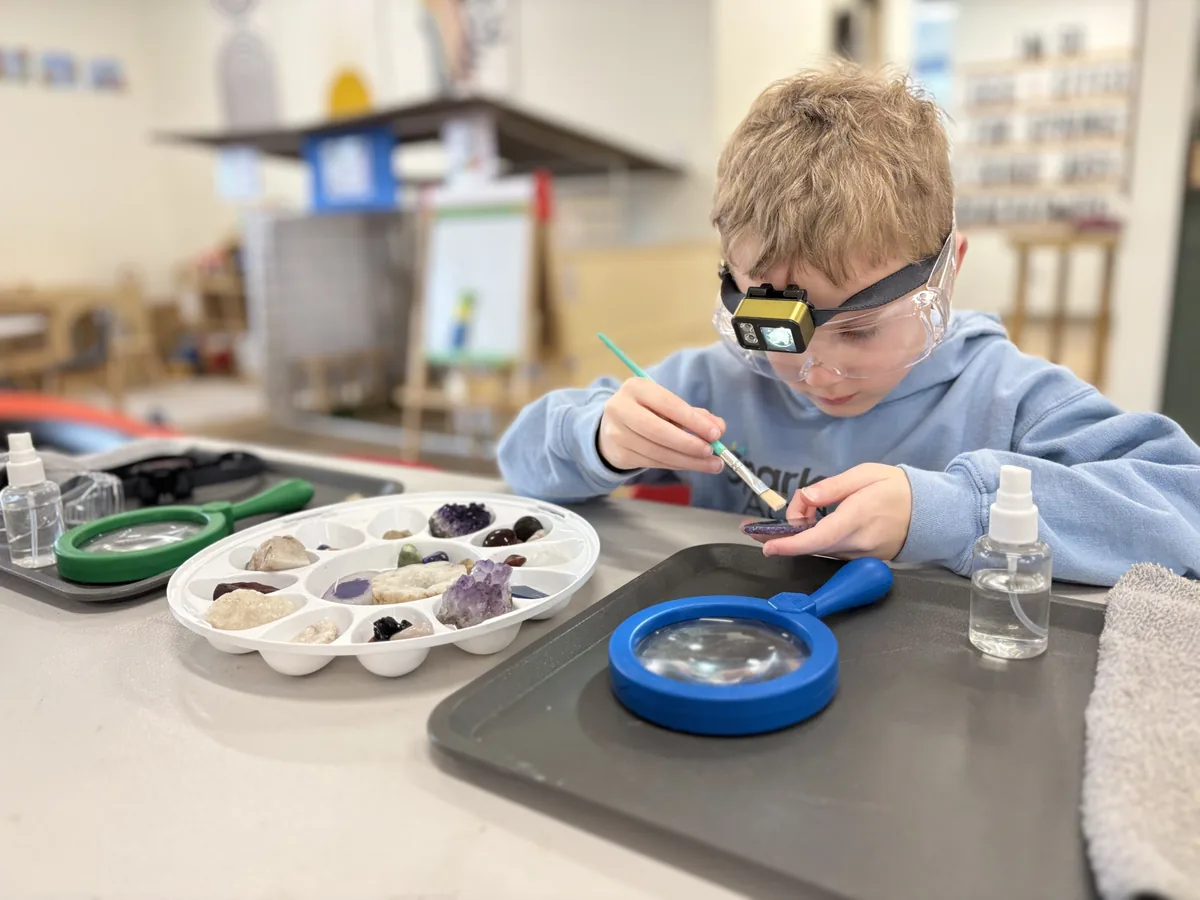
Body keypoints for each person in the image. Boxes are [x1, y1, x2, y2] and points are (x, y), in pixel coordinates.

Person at [496, 65, 1200, 586]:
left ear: (945, 274)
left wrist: (951, 510)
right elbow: (520, 462)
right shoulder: (715, 382)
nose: (817, 372)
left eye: (861, 330)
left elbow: (1184, 506)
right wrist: (599, 438)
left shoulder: (1005, 399)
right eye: (776, 331)